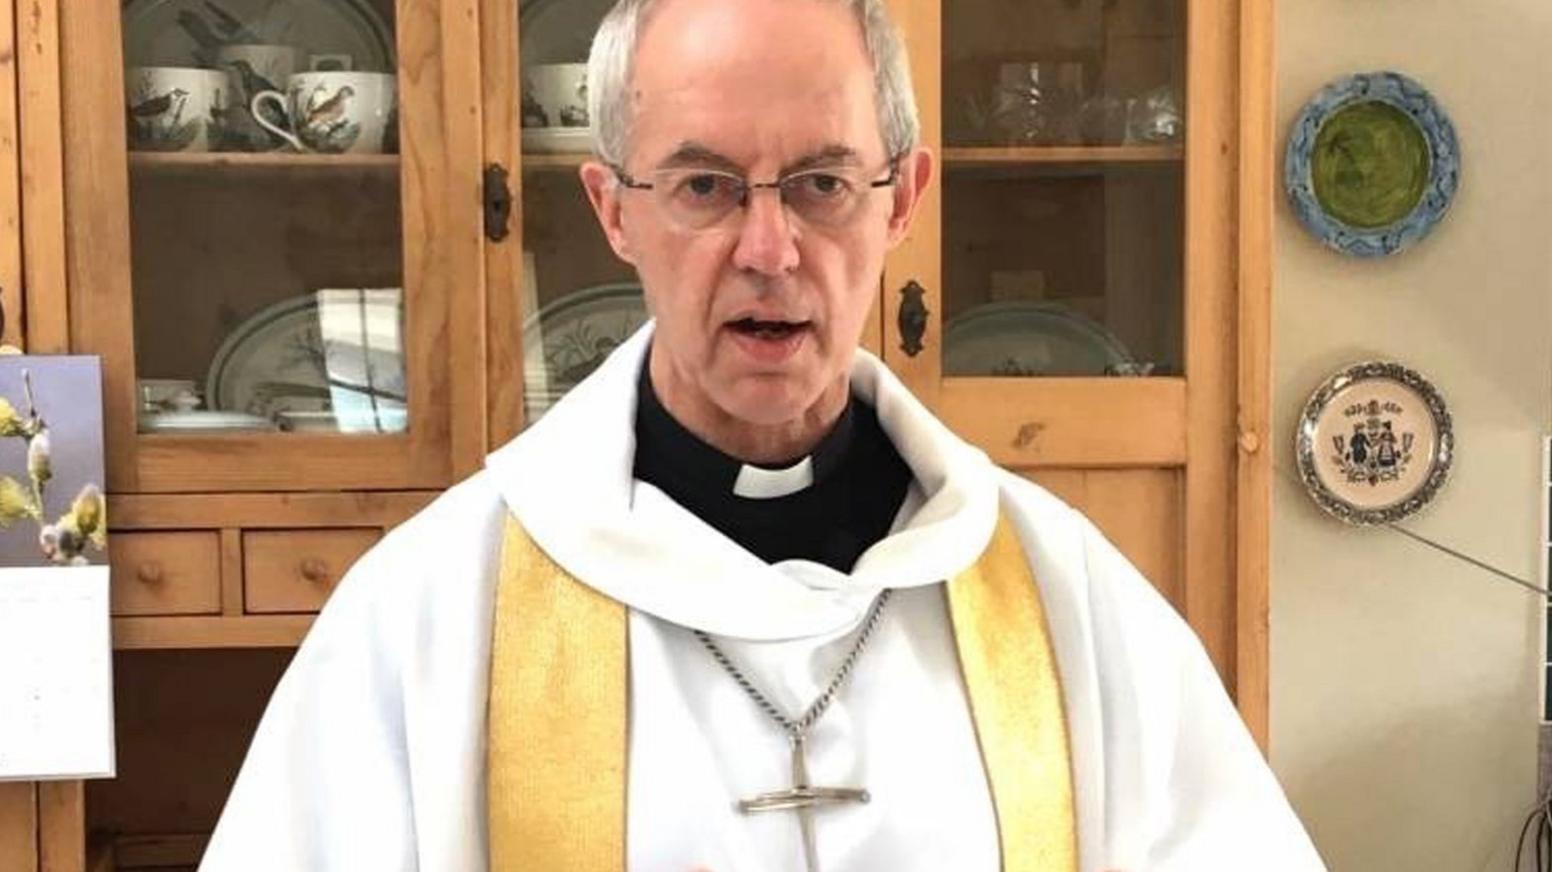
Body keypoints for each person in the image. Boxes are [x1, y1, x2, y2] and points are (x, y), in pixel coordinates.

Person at [201, 0, 1325, 869]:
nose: (770, 248)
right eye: (704, 185)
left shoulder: (1061, 592)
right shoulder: (433, 609)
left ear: (902, 200)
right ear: (613, 210)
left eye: (824, 182)